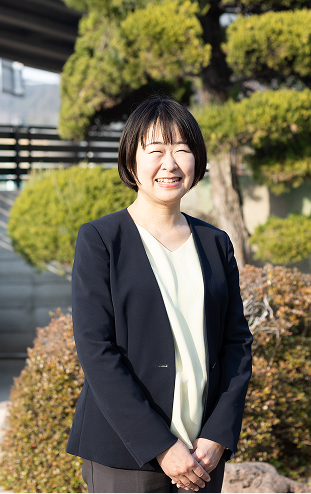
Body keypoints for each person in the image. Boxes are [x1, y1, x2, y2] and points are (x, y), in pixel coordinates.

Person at [65, 95, 253, 493]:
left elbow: (236, 344)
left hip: (203, 452)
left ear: (197, 160)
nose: (170, 163)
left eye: (182, 150)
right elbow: (97, 350)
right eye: (155, 151)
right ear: (131, 161)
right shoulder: (101, 239)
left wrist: (218, 435)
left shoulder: (215, 243)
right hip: (126, 454)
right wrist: (161, 446)